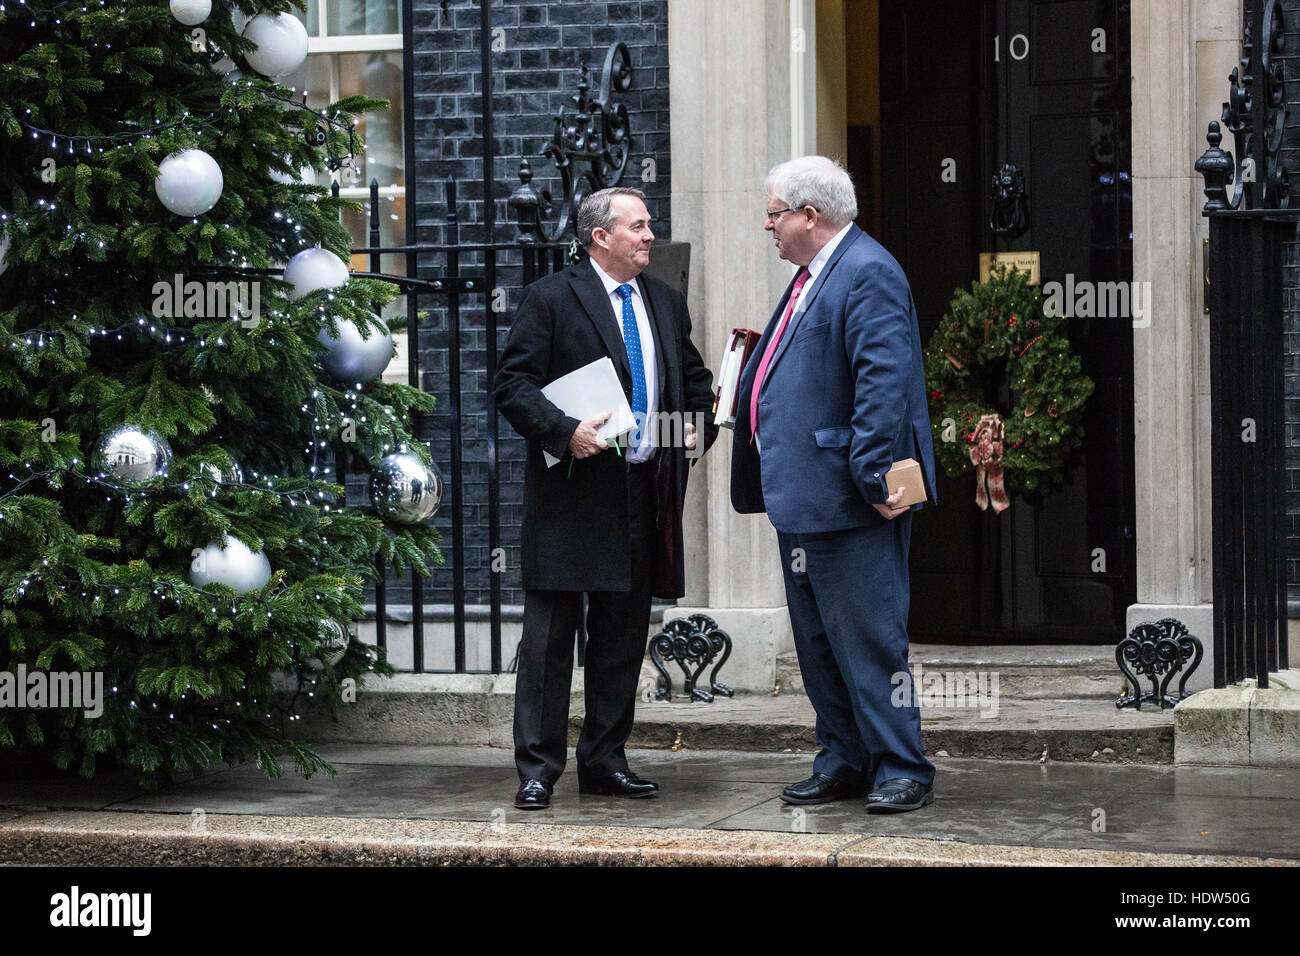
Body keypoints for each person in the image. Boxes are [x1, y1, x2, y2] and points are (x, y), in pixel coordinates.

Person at [494, 186, 717, 810]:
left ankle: (604, 759)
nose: (650, 235)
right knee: (549, 641)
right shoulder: (551, 298)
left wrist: (697, 420)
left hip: (641, 492)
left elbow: (692, 378)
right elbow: (512, 384)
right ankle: (537, 770)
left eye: (649, 226)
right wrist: (565, 433)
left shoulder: (666, 303)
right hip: (572, 495)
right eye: (638, 226)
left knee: (621, 637)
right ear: (601, 237)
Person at [731, 156, 938, 813]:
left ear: (809, 216)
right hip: (802, 494)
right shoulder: (812, 275)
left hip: (852, 496)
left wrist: (876, 475)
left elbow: (884, 382)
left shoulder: (867, 270)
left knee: (870, 639)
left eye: (774, 213)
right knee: (820, 643)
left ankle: (902, 766)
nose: (768, 224)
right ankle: (844, 760)